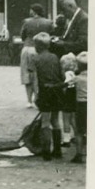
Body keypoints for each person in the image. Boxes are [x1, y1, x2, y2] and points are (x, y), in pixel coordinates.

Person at [31, 31, 64, 160]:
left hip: (45, 91)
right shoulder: (55, 57)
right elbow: (61, 75)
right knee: (55, 121)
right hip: (56, 90)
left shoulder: (35, 58)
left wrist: (36, 95)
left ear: (37, 46)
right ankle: (57, 150)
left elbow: (34, 79)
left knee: (45, 122)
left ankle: (46, 151)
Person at [19, 4, 53, 108]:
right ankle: (38, 98)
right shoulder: (49, 22)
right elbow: (51, 35)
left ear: (33, 11)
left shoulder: (27, 21)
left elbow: (22, 36)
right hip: (41, 50)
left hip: (28, 48)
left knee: (27, 74)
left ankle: (29, 101)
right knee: (39, 75)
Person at [70, 51, 87, 164]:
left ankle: (79, 154)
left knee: (79, 130)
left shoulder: (77, 78)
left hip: (81, 105)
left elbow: (66, 85)